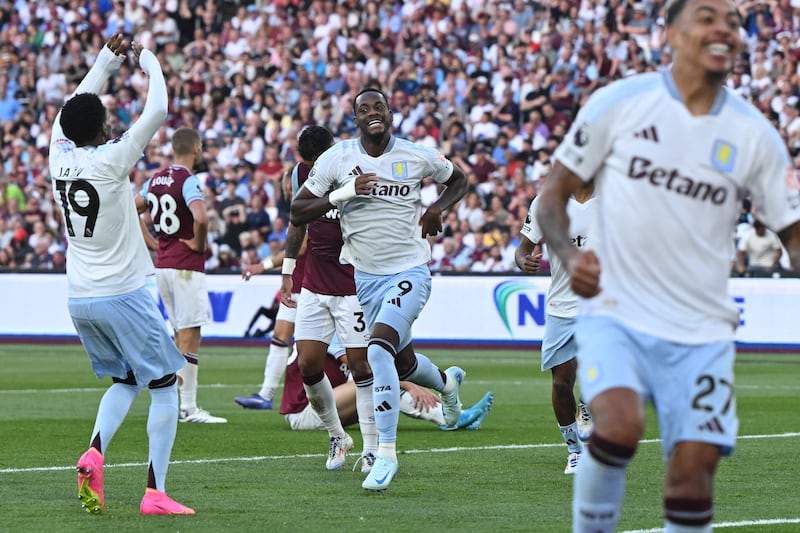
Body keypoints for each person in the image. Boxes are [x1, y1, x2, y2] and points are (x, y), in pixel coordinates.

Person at [534, 0, 800, 530]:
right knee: (617, 426)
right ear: (671, 36)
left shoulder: (754, 135)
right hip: (617, 309)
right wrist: (566, 253)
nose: (724, 27)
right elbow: (551, 196)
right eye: (707, 16)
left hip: (701, 325)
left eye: (732, 21)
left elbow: (792, 230)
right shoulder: (619, 103)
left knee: (694, 468)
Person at [292, 88, 470, 491]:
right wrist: (345, 192)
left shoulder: (417, 155)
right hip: (366, 279)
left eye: (379, 107)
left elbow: (459, 180)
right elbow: (297, 211)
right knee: (402, 363)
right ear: (355, 119)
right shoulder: (336, 160)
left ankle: (384, 453)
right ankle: (446, 383)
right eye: (363, 109)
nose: (372, 113)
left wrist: (438, 208)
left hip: (410, 270)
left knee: (377, 350)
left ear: (391, 114)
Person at [49, 35, 194, 516]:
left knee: (126, 380)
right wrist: (147, 58)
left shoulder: (57, 157)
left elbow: (71, 108)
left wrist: (106, 62)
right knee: (166, 384)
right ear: (102, 126)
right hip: (123, 293)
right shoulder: (112, 159)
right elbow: (157, 109)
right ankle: (155, 492)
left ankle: (94, 451)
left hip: (80, 296)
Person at [279, 125, 376, 472]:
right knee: (308, 364)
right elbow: (297, 220)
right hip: (315, 285)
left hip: (353, 285)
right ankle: (339, 437)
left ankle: (372, 447)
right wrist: (288, 269)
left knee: (362, 367)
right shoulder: (302, 172)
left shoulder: (358, 172)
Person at [140, 127, 226, 424]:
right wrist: (199, 243)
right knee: (190, 333)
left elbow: (131, 208)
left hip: (163, 265)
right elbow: (200, 216)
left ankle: (173, 400)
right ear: (195, 148)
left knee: (180, 333)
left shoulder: (155, 179)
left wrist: (150, 240)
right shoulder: (188, 181)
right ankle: (188, 408)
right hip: (186, 267)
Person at [515, 181, 595, 475]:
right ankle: (575, 450)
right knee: (562, 383)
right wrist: (525, 261)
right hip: (562, 306)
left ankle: (590, 400)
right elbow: (522, 249)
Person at [280, 342, 494, 432]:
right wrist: (409, 384)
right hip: (305, 413)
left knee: (381, 388)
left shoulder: (338, 318)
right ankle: (448, 416)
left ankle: (451, 418)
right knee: (374, 385)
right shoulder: (332, 326)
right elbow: (360, 368)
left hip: (329, 406)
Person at [236, 171, 307, 411]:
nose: (284, 189)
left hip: (314, 288)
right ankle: (266, 395)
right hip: (298, 286)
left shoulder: (307, 208)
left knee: (313, 349)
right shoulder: (301, 209)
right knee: (280, 338)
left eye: (287, 183)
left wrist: (263, 265)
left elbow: (299, 247)